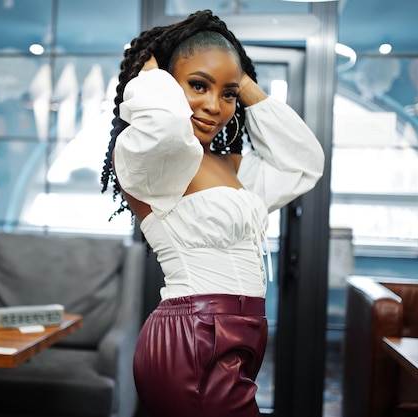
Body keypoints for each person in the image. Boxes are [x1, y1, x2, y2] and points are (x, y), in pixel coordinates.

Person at [100, 10, 324, 417]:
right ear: (165, 86)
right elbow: (165, 126)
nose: (213, 105)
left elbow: (303, 164)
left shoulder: (227, 165)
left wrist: (244, 82)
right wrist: (150, 73)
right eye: (198, 85)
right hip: (194, 337)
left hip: (239, 335)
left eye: (227, 94)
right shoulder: (149, 158)